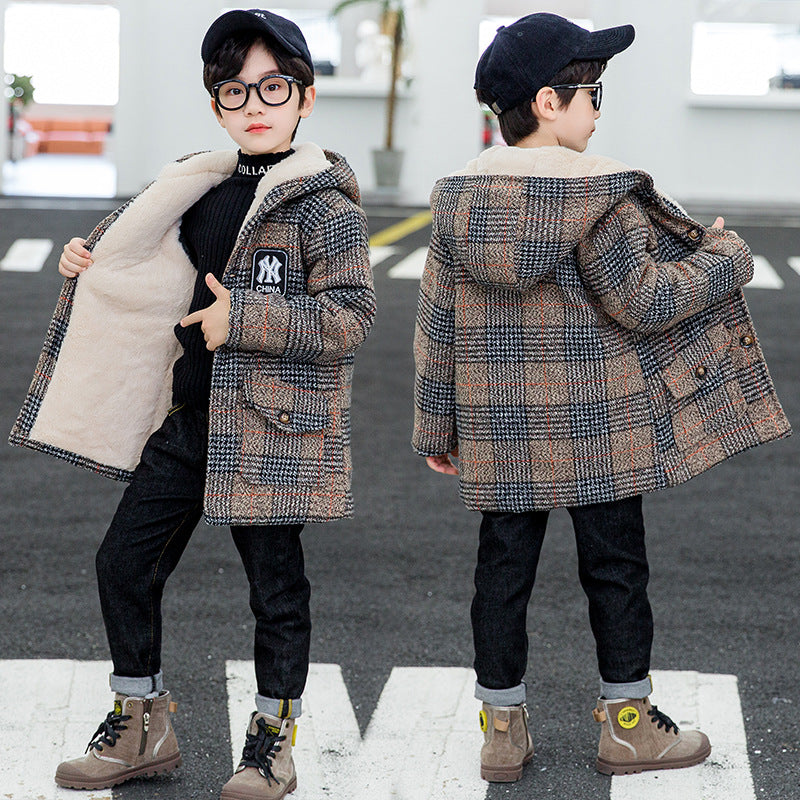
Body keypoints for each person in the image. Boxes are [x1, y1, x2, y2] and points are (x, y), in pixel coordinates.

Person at [412, 12, 790, 784]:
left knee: (500, 576)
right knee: (616, 571)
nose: (598, 110)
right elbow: (647, 301)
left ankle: (502, 732)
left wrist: (435, 427)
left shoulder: (457, 203)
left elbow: (436, 325)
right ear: (548, 102)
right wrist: (726, 256)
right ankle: (628, 728)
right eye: (592, 94)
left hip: (500, 432)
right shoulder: (599, 199)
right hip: (603, 428)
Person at [9, 9, 375, 800]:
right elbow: (144, 260)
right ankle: (143, 724)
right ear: (217, 106)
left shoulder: (327, 207)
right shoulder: (196, 185)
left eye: (272, 87)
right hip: (191, 417)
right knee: (123, 562)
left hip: (271, 428)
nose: (254, 104)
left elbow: (349, 318)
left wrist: (243, 319)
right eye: (235, 91)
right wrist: (91, 258)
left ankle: (271, 744)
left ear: (305, 97)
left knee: (275, 589)